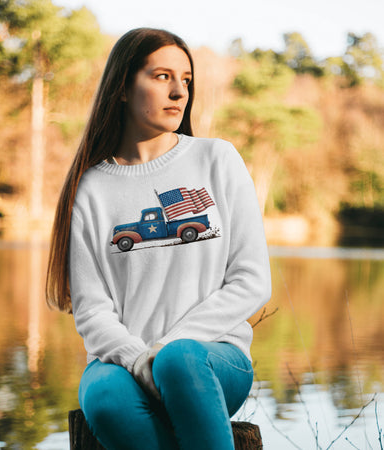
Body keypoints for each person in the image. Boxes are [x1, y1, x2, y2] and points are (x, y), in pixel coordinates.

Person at [46, 27, 271, 450]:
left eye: (185, 80)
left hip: (215, 361)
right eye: (162, 76)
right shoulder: (91, 187)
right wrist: (138, 359)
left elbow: (252, 280)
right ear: (123, 88)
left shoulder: (216, 159)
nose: (179, 92)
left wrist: (164, 350)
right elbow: (93, 311)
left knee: (180, 361)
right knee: (106, 398)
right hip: (120, 364)